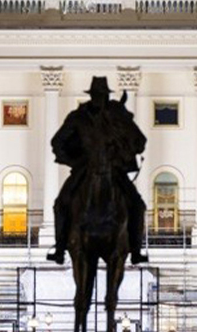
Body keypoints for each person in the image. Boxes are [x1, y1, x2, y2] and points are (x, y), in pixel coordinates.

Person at [47, 76, 148, 265]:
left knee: (137, 204)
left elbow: (139, 140)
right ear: (91, 96)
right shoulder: (78, 117)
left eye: (102, 95)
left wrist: (126, 151)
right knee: (61, 203)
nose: (100, 99)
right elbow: (57, 142)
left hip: (113, 168)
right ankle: (60, 247)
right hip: (84, 169)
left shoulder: (116, 114)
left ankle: (136, 249)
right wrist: (75, 161)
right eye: (96, 95)